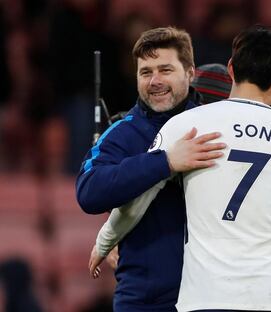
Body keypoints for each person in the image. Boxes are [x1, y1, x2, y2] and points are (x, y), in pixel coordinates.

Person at [89, 25, 271, 312]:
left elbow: (136, 202)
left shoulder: (187, 127)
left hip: (205, 299)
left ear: (230, 68)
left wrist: (105, 242)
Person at [76, 27, 227, 312]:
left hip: (215, 296)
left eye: (165, 70)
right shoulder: (123, 132)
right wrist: (165, 161)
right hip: (144, 300)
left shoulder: (221, 128)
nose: (155, 81)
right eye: (146, 72)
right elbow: (89, 191)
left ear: (190, 73)